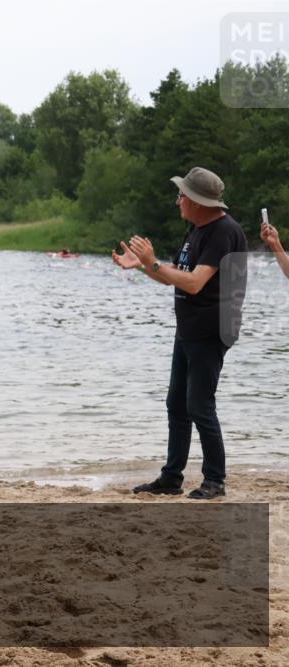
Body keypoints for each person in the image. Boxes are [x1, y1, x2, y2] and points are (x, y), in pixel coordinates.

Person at [112, 167, 247, 499]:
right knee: (177, 404)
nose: (178, 201)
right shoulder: (196, 230)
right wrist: (144, 265)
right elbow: (176, 276)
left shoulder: (224, 231)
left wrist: (154, 262)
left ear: (197, 201)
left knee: (199, 405)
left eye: (181, 195)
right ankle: (171, 478)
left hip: (211, 330)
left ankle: (215, 480)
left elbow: (196, 283)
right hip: (188, 329)